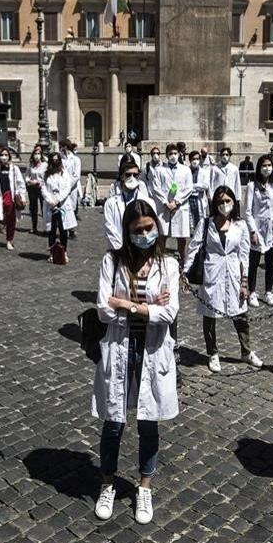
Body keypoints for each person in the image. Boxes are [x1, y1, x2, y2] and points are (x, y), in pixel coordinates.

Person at [92, 200, 180, 524]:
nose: (144, 234)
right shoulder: (112, 262)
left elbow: (169, 313)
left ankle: (144, 487)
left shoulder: (167, 264)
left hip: (152, 350)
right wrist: (146, 307)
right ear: (127, 232)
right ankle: (107, 483)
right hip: (120, 347)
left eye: (148, 228)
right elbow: (103, 308)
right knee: (114, 421)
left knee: (148, 421)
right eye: (137, 230)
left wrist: (127, 305)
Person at [183, 185, 263, 373]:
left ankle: (246, 351)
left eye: (227, 201)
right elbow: (194, 248)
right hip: (212, 273)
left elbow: (244, 255)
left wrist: (245, 283)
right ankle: (213, 352)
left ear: (233, 203)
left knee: (241, 314)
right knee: (210, 316)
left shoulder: (240, 225)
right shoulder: (206, 224)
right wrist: (185, 273)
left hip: (234, 274)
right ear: (215, 204)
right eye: (220, 201)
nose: (224, 205)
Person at [244, 155, 273, 307]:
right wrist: (252, 231)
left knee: (271, 262)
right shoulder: (252, 186)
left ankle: (269, 291)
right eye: (264, 165)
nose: (267, 168)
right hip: (257, 228)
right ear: (259, 168)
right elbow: (248, 211)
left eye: (269, 165)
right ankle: (252, 292)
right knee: (254, 262)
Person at [153, 144, 193, 261]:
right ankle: (160, 260)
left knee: (181, 236)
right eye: (170, 154)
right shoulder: (159, 170)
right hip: (164, 207)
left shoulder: (186, 170)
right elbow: (156, 188)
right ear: (166, 155)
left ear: (179, 154)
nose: (173, 156)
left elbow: (188, 188)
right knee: (162, 234)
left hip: (180, 207)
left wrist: (177, 202)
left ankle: (183, 261)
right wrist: (165, 202)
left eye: (175, 153)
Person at [0, 146, 27, 250]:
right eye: (2, 155)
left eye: (6, 155)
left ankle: (9, 241)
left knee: (11, 220)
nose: (4, 157)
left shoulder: (14, 169)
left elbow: (21, 183)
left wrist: (23, 196)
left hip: (10, 197)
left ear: (9, 156)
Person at [104, 159, 153, 251]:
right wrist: (121, 250)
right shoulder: (111, 203)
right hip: (119, 250)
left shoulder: (149, 202)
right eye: (128, 175)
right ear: (122, 177)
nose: (132, 178)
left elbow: (151, 229)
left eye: (135, 175)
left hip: (141, 250)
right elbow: (110, 229)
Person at [42, 152, 78, 263]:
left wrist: (58, 199)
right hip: (51, 205)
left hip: (62, 204)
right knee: (52, 231)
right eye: (53, 160)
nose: (55, 162)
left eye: (57, 160)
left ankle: (64, 252)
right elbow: (43, 188)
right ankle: (52, 253)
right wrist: (50, 200)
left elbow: (67, 188)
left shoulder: (64, 173)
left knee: (63, 230)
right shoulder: (46, 174)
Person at [62, 142, 82, 239]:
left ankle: (72, 230)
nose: (62, 149)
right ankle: (65, 229)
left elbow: (76, 175)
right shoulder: (60, 159)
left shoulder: (76, 160)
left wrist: (68, 186)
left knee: (72, 208)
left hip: (71, 187)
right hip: (62, 188)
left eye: (63, 147)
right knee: (64, 208)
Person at [26, 144, 47, 233]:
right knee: (33, 209)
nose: (37, 155)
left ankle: (46, 227)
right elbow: (27, 176)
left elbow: (46, 178)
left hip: (41, 188)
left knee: (44, 208)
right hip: (32, 189)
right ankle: (34, 227)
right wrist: (29, 181)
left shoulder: (45, 165)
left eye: (38, 153)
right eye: (35, 153)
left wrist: (39, 182)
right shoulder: (31, 165)